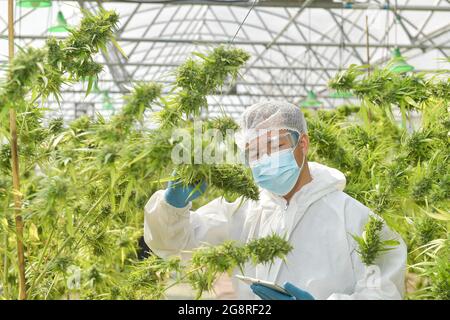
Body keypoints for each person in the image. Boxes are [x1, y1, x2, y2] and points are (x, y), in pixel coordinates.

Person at [143, 100, 407, 300]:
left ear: (302, 143)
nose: (264, 158)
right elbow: (176, 245)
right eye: (254, 151)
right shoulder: (241, 209)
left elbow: (385, 290)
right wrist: (173, 206)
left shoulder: (355, 218)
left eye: (274, 146)